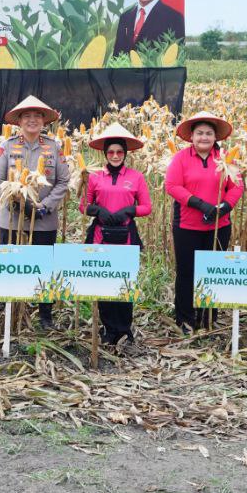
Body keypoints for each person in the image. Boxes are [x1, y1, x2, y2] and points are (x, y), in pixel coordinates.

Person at [0, 95, 71, 329]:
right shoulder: (6, 146)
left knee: (44, 265)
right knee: (10, 263)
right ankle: (8, 309)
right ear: (19, 121)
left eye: (37, 116)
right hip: (12, 218)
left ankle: (45, 313)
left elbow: (63, 181)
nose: (32, 120)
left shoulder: (54, 147)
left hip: (44, 219)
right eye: (27, 116)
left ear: (44, 121)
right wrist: (15, 203)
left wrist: (45, 207)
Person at [165, 110, 243, 332]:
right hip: (187, 225)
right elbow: (172, 186)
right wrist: (200, 204)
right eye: (199, 133)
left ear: (215, 137)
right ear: (192, 136)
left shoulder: (226, 158)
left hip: (219, 225)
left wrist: (225, 206)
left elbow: (237, 186)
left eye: (209, 133)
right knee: (187, 271)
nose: (204, 138)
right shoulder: (181, 158)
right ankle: (185, 318)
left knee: (213, 270)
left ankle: (209, 317)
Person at [80, 123, 151, 344]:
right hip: (101, 234)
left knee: (124, 281)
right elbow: (84, 205)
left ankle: (124, 328)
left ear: (125, 153)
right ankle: (108, 328)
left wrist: (130, 210)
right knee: (104, 281)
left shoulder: (136, 177)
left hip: (125, 235)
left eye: (119, 152)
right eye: (111, 152)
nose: (115, 155)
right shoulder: (94, 177)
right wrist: (97, 210)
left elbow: (147, 207)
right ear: (105, 154)